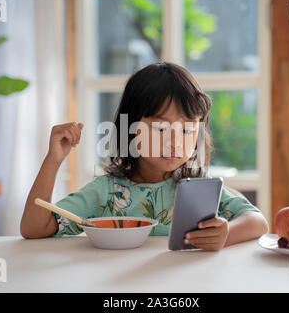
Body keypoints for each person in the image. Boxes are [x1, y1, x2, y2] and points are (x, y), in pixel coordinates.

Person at [20, 62, 268, 251]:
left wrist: (225, 235)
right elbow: (34, 228)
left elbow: (258, 222)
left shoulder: (197, 189)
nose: (175, 140)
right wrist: (53, 160)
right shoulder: (107, 192)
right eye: (161, 128)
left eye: (187, 129)